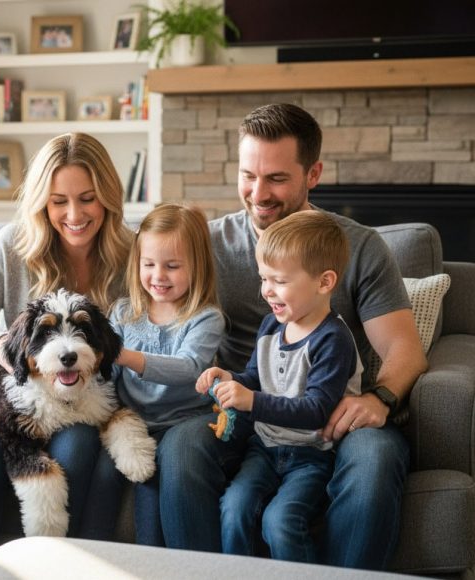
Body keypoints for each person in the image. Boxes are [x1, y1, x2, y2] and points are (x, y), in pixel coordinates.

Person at [158, 102, 427, 569]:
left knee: (376, 458)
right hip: (245, 411)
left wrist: (380, 398)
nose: (258, 193)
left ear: (313, 174)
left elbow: (403, 347)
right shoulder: (207, 246)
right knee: (180, 448)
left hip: (331, 414)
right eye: (248, 176)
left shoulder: (358, 247)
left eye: (277, 179)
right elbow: (151, 308)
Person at [0, 132, 133, 579]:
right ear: (42, 202)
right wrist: (0, 347)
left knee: (79, 444)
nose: (74, 215)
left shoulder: (133, 254)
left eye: (87, 199)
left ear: (108, 197)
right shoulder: (14, 246)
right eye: (59, 201)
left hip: (84, 405)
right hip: (4, 406)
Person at [196, 210, 362, 562]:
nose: (267, 290)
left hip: (312, 456)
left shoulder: (333, 339)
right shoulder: (271, 326)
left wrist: (251, 401)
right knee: (234, 507)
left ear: (324, 282)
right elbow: (254, 378)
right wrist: (228, 379)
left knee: (280, 521)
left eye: (280, 281)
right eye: (263, 278)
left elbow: (317, 410)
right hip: (265, 448)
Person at [82, 202, 226, 544]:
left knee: (150, 486)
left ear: (197, 266)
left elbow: (190, 367)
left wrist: (127, 357)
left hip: (183, 420)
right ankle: (88, 555)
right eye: (149, 264)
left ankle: (158, 562)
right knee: (103, 476)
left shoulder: (205, 319)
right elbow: (108, 378)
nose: (158, 276)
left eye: (172, 266)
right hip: (132, 422)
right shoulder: (123, 313)